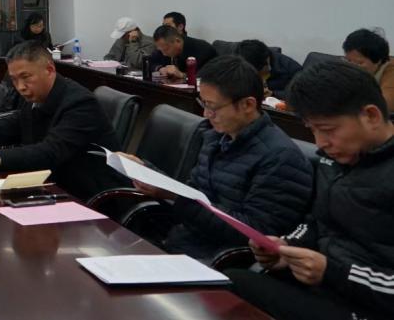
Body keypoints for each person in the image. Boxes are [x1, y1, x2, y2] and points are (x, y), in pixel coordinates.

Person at [226, 60, 394, 320]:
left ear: (371, 116)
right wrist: (287, 246)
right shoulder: (335, 159)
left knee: (233, 289)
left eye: (328, 130)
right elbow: (316, 221)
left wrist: (333, 272)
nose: (320, 143)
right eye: (312, 130)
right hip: (324, 287)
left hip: (368, 306)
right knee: (225, 286)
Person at [127, 56, 313, 262]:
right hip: (182, 242)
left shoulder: (280, 158)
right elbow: (195, 193)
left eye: (212, 107)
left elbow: (254, 234)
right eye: (203, 103)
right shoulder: (216, 137)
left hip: (218, 260)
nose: (206, 114)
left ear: (248, 104)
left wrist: (176, 198)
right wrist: (148, 172)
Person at [0, 40, 125, 202]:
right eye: (14, 80)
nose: (20, 87)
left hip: (91, 199)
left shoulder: (79, 103)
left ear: (49, 70)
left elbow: (51, 151)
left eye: (26, 77)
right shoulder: (38, 96)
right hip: (51, 186)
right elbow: (6, 128)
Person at [343, 28, 394, 113]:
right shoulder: (344, 70)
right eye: (348, 61)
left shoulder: (391, 72)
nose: (352, 67)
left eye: (359, 63)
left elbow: (384, 105)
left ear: (378, 60)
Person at [148, 25, 218, 81]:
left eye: (166, 49)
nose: (164, 54)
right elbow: (150, 62)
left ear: (177, 41)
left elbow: (206, 78)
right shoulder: (164, 46)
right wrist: (160, 69)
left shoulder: (203, 50)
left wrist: (182, 75)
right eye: (161, 50)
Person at [236, 39, 302, 97]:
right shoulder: (240, 60)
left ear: (267, 61)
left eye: (258, 72)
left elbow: (300, 95)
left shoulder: (292, 70)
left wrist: (273, 94)